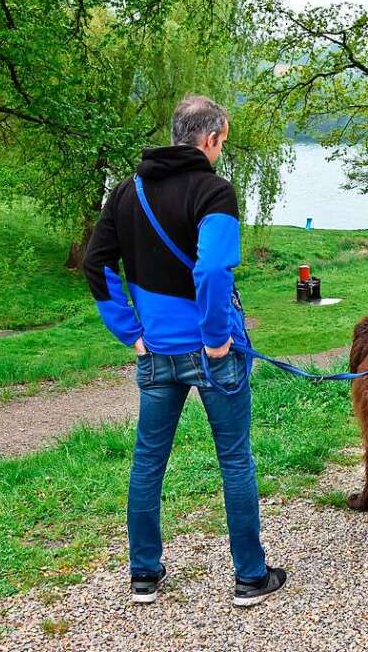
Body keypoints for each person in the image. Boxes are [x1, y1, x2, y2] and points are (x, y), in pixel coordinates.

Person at [82, 94, 286, 607]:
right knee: (234, 459)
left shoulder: (126, 193)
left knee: (148, 462)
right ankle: (249, 578)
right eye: (223, 141)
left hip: (156, 356)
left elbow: (97, 264)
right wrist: (217, 338)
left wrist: (131, 333)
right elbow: (213, 270)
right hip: (213, 355)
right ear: (211, 138)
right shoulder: (214, 192)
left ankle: (144, 575)